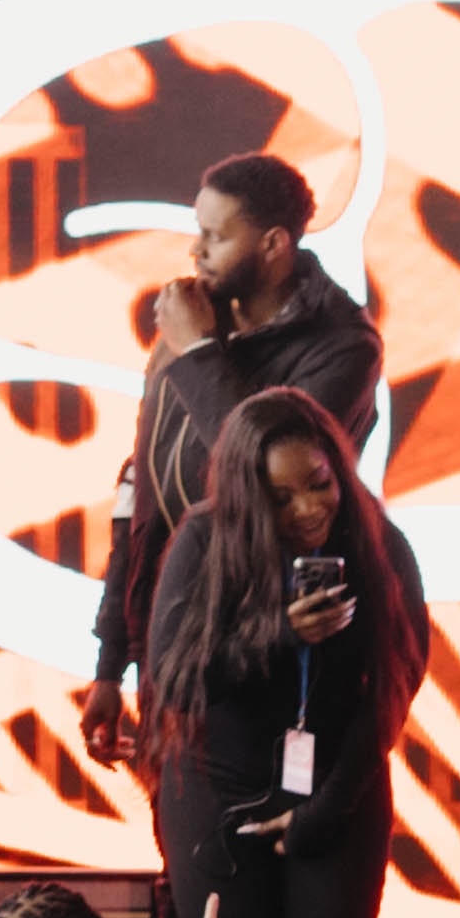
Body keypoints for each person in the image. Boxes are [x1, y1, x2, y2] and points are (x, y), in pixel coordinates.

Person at [82, 156, 381, 779]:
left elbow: (263, 465)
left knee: (278, 850)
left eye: (216, 236)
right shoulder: (189, 329)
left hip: (278, 652)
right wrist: (111, 661)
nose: (196, 251)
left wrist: (195, 352)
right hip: (172, 648)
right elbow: (139, 498)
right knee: (185, 862)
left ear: (273, 244)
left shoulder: (343, 347)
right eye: (199, 231)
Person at [121, 382, 425, 918]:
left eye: (319, 484)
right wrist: (277, 634)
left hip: (340, 787)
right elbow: (175, 682)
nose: (309, 509)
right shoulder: (205, 541)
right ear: (248, 497)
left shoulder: (377, 541)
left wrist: (327, 808)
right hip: (218, 791)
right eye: (281, 498)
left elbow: (394, 690)